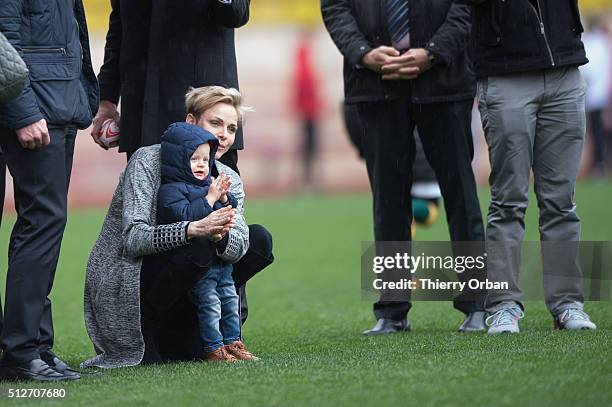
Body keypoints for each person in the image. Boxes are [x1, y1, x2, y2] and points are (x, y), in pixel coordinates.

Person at [322, 0, 487, 335]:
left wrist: (434, 52)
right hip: (374, 85)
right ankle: (392, 309)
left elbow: (466, 7)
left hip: (444, 81)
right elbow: (335, 6)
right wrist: (362, 52)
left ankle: (478, 303)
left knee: (461, 197)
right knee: (388, 202)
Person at [82, 86, 273, 369]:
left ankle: (209, 327)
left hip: (193, 287)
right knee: (199, 243)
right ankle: (145, 330)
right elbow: (134, 239)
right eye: (215, 123)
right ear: (191, 122)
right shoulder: (148, 160)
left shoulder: (228, 176)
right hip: (134, 288)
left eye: (231, 128)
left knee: (259, 239)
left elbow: (240, 244)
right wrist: (193, 229)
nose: (224, 135)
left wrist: (220, 236)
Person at [462, 0, 597, 333]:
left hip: (564, 69)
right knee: (508, 200)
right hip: (505, 74)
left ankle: (567, 304)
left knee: (561, 203)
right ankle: (504, 304)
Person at [0, 0, 98, 381]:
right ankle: (21, 352)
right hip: (35, 109)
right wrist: (22, 111)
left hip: (56, 104)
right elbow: (4, 39)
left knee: (43, 223)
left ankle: (36, 345)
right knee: (42, 222)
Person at [90, 0, 250, 173]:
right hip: (143, 111)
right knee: (142, 198)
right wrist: (107, 98)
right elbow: (120, 27)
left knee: (215, 197)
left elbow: (235, 14)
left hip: (204, 112)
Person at [156, 122, 257, 362]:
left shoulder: (206, 185)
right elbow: (184, 216)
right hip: (200, 266)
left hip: (221, 264)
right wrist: (211, 198)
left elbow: (230, 211)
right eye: (194, 159)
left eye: (205, 159)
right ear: (178, 160)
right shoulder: (171, 190)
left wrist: (224, 197)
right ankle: (214, 347)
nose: (201, 164)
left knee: (230, 300)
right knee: (210, 304)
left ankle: (233, 342)